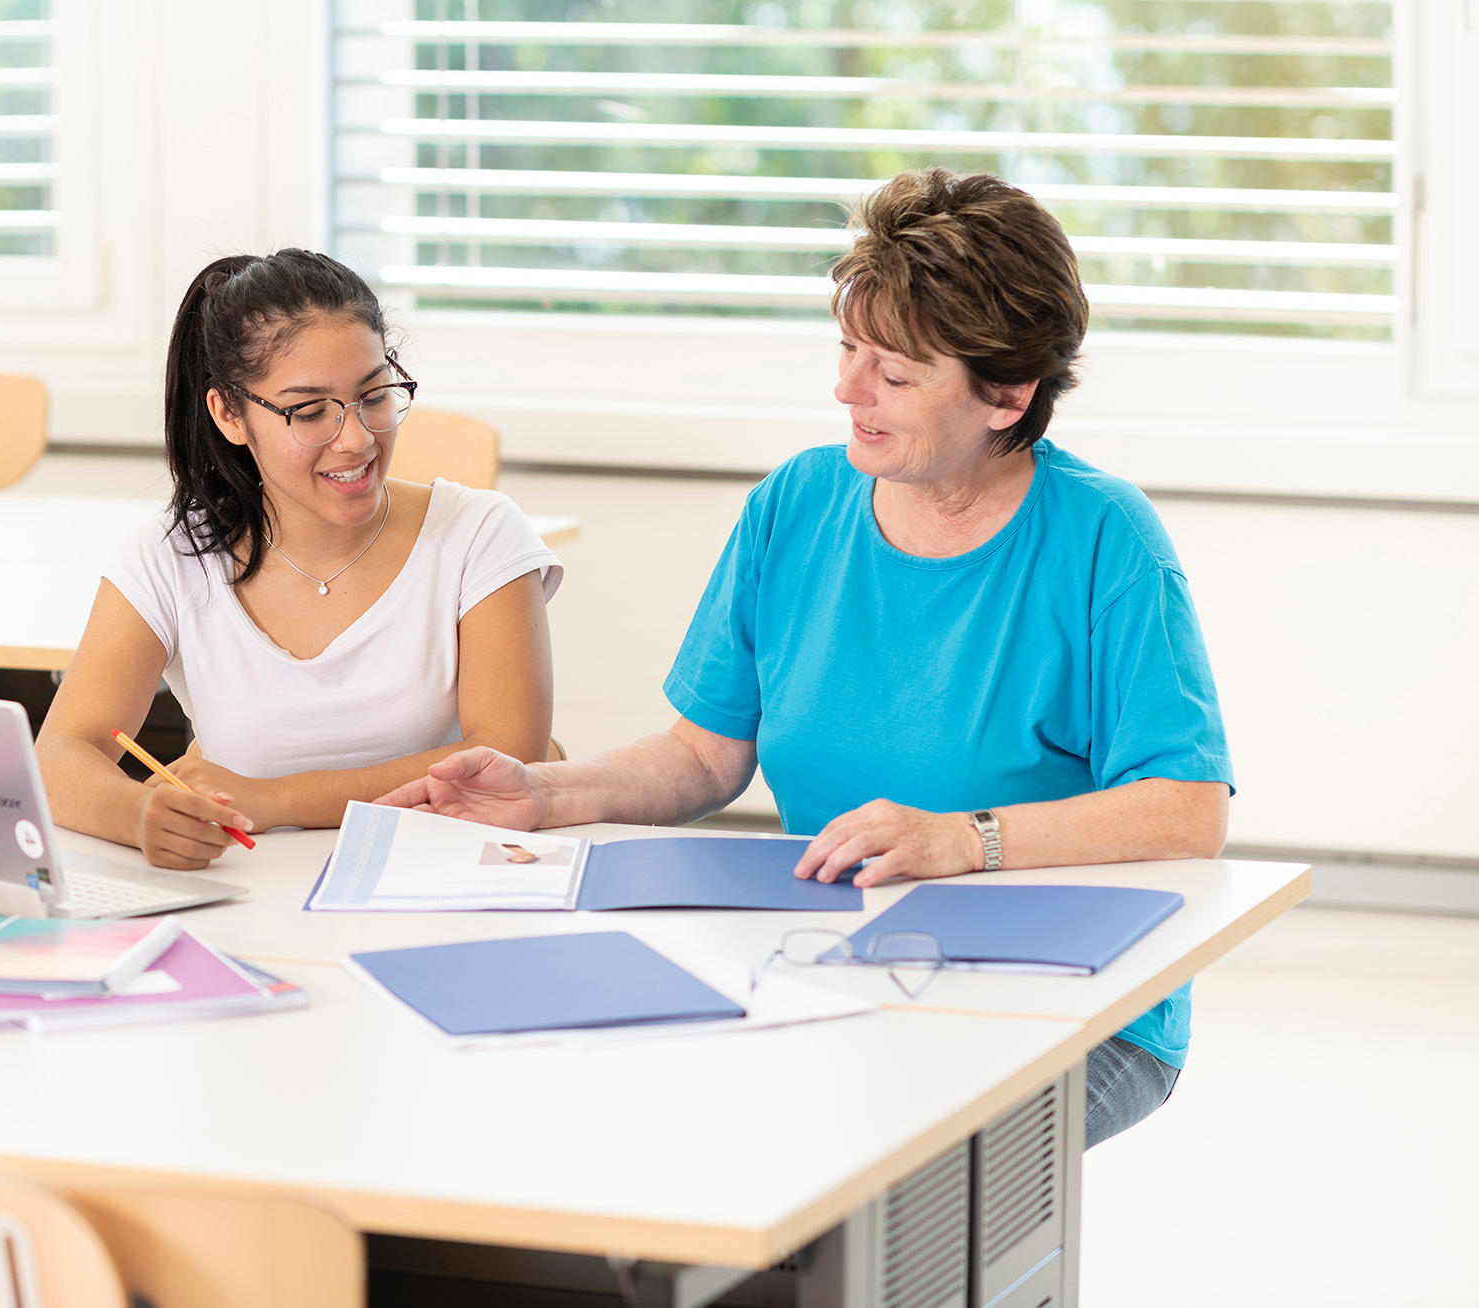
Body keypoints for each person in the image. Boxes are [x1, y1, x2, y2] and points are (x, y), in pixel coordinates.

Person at [380, 169, 1234, 1148]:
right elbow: (702, 757)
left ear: (1007, 394)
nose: (847, 390)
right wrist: (545, 792)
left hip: (1078, 1003)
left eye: (894, 375)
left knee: (888, 1160)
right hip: (844, 968)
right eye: (846, 349)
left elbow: (1185, 812)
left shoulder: (1103, 538)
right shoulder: (797, 503)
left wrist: (964, 840)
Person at [38, 249, 561, 871]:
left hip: (442, 879)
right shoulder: (171, 558)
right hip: (255, 890)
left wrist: (275, 799)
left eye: (374, 396)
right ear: (229, 415)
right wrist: (137, 814)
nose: (357, 438)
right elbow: (60, 755)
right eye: (310, 412)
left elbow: (508, 752)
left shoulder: (479, 534)